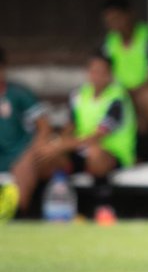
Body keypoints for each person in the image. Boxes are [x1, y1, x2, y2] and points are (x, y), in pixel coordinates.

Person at [11, 53, 135, 218]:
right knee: (41, 157)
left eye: (101, 72)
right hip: (80, 151)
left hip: (112, 155)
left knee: (94, 153)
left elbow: (96, 137)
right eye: (92, 71)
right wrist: (55, 144)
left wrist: (61, 145)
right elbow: (70, 127)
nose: (96, 76)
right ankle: (22, 212)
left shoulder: (118, 97)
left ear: (110, 75)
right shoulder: (79, 95)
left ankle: (102, 207)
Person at [99, 0, 148, 159]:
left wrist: (132, 93)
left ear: (129, 15)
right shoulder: (109, 43)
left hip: (146, 93)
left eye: (117, 18)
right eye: (109, 20)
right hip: (124, 95)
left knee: (146, 99)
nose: (114, 24)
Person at [0, 45, 48, 221]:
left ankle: (18, 215)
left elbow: (44, 128)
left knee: (24, 167)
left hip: (19, 155)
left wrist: (31, 152)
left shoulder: (18, 94)